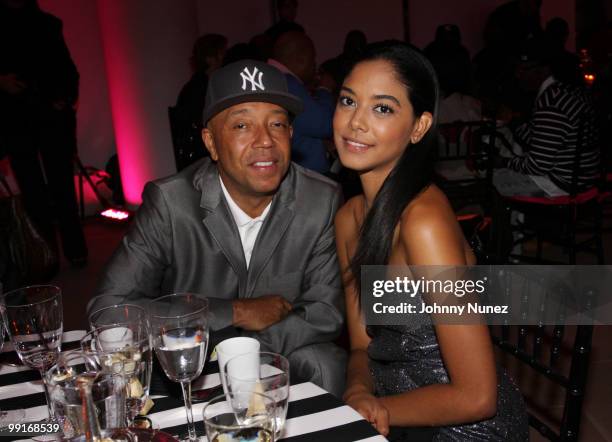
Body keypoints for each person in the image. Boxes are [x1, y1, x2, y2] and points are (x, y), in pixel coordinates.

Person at [90, 60, 346, 396]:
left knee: (326, 361)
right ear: (211, 142)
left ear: (291, 134)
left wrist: (238, 348)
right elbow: (109, 312)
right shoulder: (171, 202)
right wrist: (232, 311)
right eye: (242, 125)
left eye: (278, 124)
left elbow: (325, 311)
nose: (265, 141)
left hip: (270, 356)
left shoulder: (320, 199)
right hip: (184, 366)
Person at [333, 41, 528, 440]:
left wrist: (375, 410)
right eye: (348, 101)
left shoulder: (423, 222)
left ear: (419, 126)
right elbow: (360, 346)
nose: (356, 122)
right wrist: (356, 391)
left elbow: (478, 396)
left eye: (382, 108)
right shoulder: (348, 218)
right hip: (397, 410)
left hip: (466, 429)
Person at [0, 0, 87, 268]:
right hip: (15, 118)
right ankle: (45, 257)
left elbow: (65, 67)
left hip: (50, 115)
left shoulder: (48, 24)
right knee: (32, 189)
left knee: (61, 185)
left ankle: (74, 250)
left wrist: (64, 97)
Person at [494, 39, 600, 197]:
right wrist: (514, 121)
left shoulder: (552, 102)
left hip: (563, 183)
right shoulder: (568, 90)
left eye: (523, 69)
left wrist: (502, 161)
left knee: (491, 180)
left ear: (543, 70)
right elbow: (543, 141)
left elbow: (537, 166)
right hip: (583, 177)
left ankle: (514, 221)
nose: (517, 75)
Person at [269, 31, 335, 174]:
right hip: (307, 179)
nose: (314, 66)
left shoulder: (273, 79)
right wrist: (325, 89)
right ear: (301, 59)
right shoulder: (287, 84)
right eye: (313, 60)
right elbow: (325, 124)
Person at [173, 34, 227, 170]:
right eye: (221, 53)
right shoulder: (203, 88)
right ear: (210, 58)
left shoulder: (196, 86)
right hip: (205, 157)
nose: (224, 58)